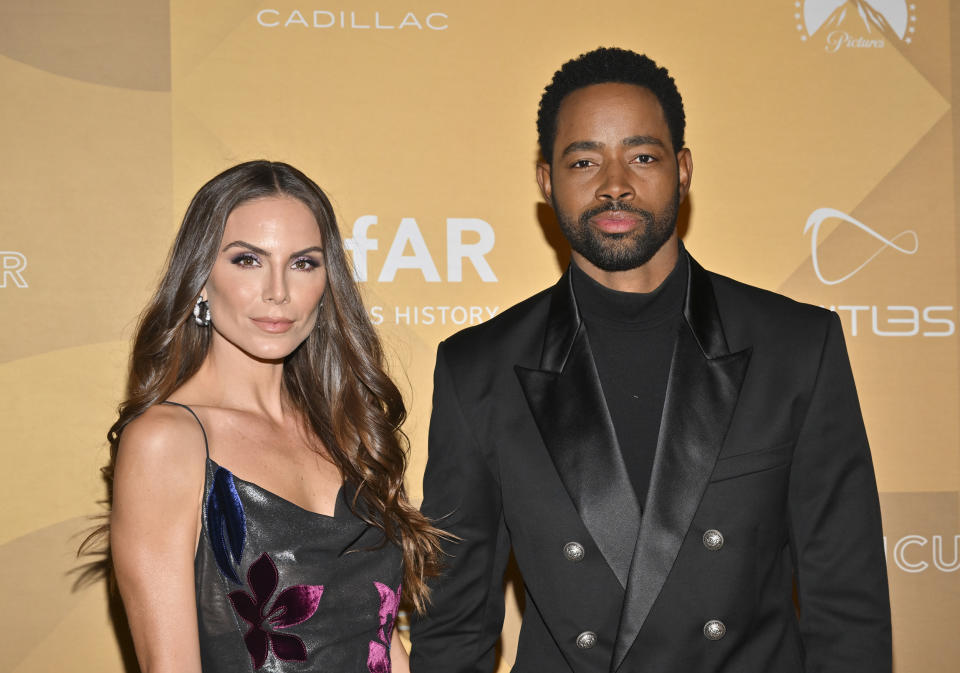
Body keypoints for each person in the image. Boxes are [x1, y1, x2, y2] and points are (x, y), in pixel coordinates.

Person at [409, 48, 891, 673]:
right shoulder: (479, 368)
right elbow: (453, 622)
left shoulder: (797, 346)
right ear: (545, 180)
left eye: (642, 156)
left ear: (683, 170)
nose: (615, 184)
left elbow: (847, 604)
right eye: (584, 160)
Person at [84, 160, 446, 672]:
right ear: (201, 280)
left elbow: (382, 640)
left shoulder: (345, 429)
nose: (278, 291)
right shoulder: (169, 440)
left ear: (327, 284)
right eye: (248, 260)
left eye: (303, 263)